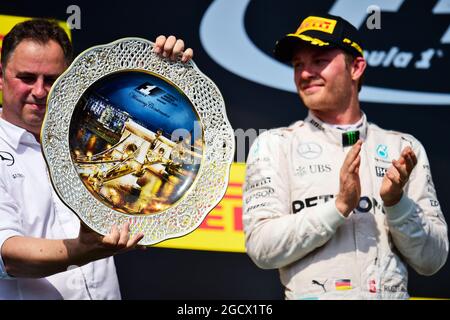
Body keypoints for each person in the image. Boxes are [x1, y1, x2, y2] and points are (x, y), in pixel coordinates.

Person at [242, 13, 448, 299]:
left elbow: (433, 261)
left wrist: (397, 204)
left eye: (319, 61)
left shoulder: (403, 148)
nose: (304, 73)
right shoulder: (274, 145)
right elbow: (262, 248)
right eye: (298, 64)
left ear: (356, 67)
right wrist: (338, 207)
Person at [0, 18, 193, 299]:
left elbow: (142, 97)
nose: (40, 92)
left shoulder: (92, 132)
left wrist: (168, 71)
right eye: (27, 78)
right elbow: (8, 257)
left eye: (52, 80)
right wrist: (84, 250)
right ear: (2, 76)